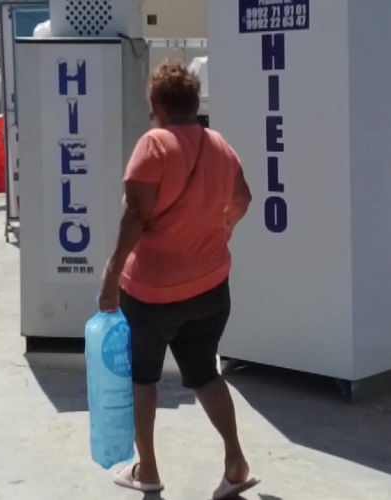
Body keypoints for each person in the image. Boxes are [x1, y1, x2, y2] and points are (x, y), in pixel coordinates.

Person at [98, 60, 257, 499]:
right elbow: (242, 200)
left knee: (143, 377)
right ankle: (236, 463)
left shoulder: (155, 144)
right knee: (205, 373)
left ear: (157, 106)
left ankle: (147, 470)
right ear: (193, 102)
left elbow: (134, 218)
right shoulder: (219, 144)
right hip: (210, 285)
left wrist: (111, 277)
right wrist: (219, 230)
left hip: (151, 292)